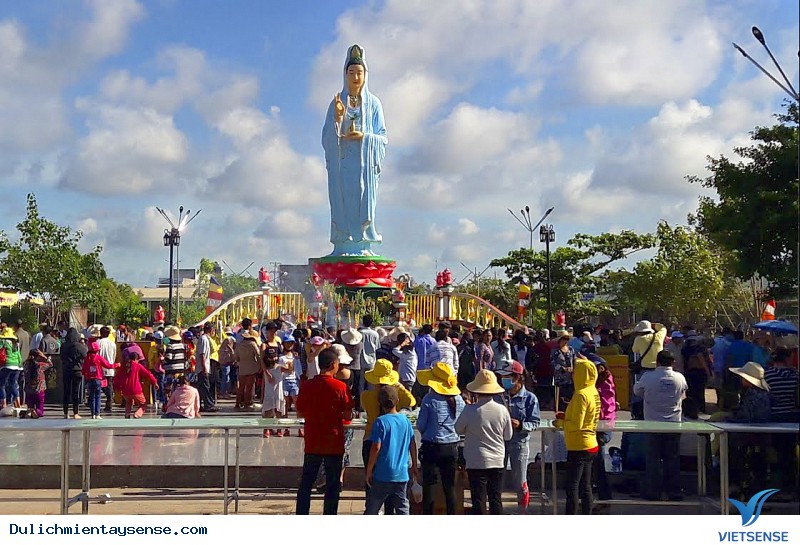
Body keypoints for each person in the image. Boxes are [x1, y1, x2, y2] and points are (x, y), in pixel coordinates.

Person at [322, 44, 387, 255]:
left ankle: (364, 241)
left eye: (359, 73)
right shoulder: (336, 102)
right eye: (351, 73)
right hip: (343, 165)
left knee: (362, 198)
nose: (356, 77)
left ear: (365, 74)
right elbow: (327, 137)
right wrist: (339, 119)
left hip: (364, 165)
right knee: (343, 198)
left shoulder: (374, 104)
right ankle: (343, 241)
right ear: (345, 74)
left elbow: (383, 138)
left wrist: (364, 138)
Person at [295, 347, 354, 515]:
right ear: (333, 364)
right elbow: (348, 413)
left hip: (313, 440)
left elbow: (300, 411)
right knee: (333, 484)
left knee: (306, 483)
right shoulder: (340, 387)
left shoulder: (307, 386)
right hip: (333, 442)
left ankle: (302, 514)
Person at [455, 369, 512, 515]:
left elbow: (458, 429)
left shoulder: (470, 410)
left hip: (476, 460)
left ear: (476, 391)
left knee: (478, 499)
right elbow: (508, 435)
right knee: (495, 497)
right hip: (497, 459)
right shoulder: (502, 410)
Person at [633, 350, 687, 501]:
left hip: (652, 424)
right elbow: (683, 394)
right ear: (673, 362)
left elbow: (637, 391)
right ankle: (674, 491)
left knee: (653, 460)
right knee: (673, 459)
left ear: (657, 362)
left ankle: (653, 492)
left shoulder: (648, 377)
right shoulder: (680, 378)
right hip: (674, 424)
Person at [361, 359, 415, 508]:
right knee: (391, 487)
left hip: (370, 440)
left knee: (371, 482)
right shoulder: (396, 398)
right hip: (392, 442)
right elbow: (411, 401)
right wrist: (398, 386)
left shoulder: (366, 396)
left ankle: (372, 510)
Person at [416, 362, 465, 515]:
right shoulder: (459, 400)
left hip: (431, 447)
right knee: (449, 488)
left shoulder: (429, 399)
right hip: (451, 447)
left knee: (429, 487)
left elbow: (421, 425)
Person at [554, 356, 601, 515]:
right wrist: (566, 415)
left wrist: (560, 424)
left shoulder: (581, 394)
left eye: (576, 372)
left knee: (572, 486)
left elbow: (576, 425)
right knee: (585, 486)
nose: (573, 375)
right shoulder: (593, 391)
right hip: (591, 443)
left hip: (579, 445)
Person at [497, 361, 540, 511]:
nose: (503, 380)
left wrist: (521, 425)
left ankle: (523, 510)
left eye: (507, 376)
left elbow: (535, 422)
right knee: (497, 478)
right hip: (500, 443)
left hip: (519, 443)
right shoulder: (499, 396)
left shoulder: (530, 398)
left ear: (517, 377)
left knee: (520, 481)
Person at [591, 354, 616, 503]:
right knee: (596, 463)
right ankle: (602, 495)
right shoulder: (608, 381)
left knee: (597, 463)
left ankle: (604, 496)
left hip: (600, 426)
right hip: (604, 425)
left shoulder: (600, 385)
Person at [261, 325, 289, 437]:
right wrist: (266, 373)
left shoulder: (279, 345)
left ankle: (278, 427)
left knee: (279, 398)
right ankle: (266, 427)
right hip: (269, 372)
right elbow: (262, 361)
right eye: (270, 331)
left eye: (274, 331)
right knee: (269, 398)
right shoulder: (264, 345)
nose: (273, 333)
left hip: (278, 372)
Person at [113, 352, 158, 419]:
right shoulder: (137, 366)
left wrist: (116, 387)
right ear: (136, 359)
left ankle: (127, 414)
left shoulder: (123, 366)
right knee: (143, 404)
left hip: (125, 390)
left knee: (128, 402)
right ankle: (137, 414)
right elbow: (148, 374)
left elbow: (117, 377)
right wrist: (155, 382)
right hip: (136, 389)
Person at [82, 340, 118, 419]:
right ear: (97, 350)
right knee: (97, 396)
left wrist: (85, 375)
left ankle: (92, 414)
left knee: (91, 397)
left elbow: (84, 369)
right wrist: (117, 365)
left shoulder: (87, 358)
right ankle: (97, 413)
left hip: (89, 379)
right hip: (97, 378)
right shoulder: (98, 358)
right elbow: (108, 365)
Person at [764, 348, 799, 422]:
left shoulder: (766, 375)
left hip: (773, 415)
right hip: (792, 415)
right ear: (786, 359)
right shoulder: (795, 376)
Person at [60, 328, 87, 419]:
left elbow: (61, 357)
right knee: (76, 392)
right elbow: (85, 355)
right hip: (77, 370)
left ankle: (65, 412)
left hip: (66, 370)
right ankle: (75, 413)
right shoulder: (79, 346)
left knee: (66, 391)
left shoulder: (63, 346)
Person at [234, 330, 261, 409]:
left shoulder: (238, 345)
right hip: (252, 368)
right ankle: (246, 403)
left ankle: (237, 403)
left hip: (242, 368)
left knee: (241, 386)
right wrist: (260, 365)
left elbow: (236, 357)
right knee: (249, 387)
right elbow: (258, 355)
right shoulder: (253, 344)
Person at [22, 349, 51, 418]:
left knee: (30, 404)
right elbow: (50, 364)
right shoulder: (40, 365)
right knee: (40, 408)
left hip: (28, 389)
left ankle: (30, 411)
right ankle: (35, 411)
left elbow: (24, 363)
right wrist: (45, 357)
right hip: (39, 389)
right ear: (38, 356)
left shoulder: (25, 364)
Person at [194, 324, 217, 412]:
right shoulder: (204, 339)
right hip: (202, 367)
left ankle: (200, 404)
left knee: (202, 387)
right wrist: (204, 368)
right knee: (205, 386)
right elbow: (202, 355)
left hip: (204, 366)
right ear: (211, 330)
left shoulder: (205, 339)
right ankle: (209, 405)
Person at [552, 331, 577, 411]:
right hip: (560, 379)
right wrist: (563, 368)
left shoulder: (571, 349)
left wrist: (574, 368)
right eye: (564, 338)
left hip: (570, 379)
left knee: (570, 398)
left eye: (567, 339)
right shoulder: (555, 350)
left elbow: (574, 360)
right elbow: (553, 363)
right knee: (560, 401)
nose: (566, 340)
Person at [341, 327, 363, 409]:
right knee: (356, 388)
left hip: (346, 367)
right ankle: (356, 406)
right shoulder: (360, 344)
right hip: (357, 367)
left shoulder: (344, 345)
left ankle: (346, 404)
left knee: (346, 388)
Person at [0, 327, 22, 410]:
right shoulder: (16, 343)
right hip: (16, 365)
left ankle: (3, 405)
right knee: (13, 384)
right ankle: (18, 404)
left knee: (1, 385)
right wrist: (19, 364)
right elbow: (19, 354)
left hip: (6, 364)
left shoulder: (3, 341)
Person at [97, 326, 117, 413]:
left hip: (100, 368)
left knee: (99, 386)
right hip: (110, 367)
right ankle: (109, 401)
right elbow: (114, 355)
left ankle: (99, 403)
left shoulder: (98, 342)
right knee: (109, 385)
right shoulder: (113, 343)